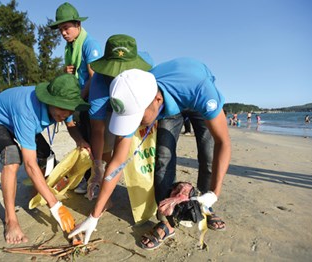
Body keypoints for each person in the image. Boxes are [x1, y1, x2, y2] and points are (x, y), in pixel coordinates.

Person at [69, 58, 231, 250]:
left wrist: (214, 193)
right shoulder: (134, 93)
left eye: (138, 118)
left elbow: (223, 142)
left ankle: (206, 205)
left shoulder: (201, 89)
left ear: (157, 101)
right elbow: (117, 163)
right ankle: (168, 219)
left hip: (193, 91)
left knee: (208, 152)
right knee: (163, 157)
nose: (136, 124)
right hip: (167, 102)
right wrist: (94, 216)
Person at [0, 74, 90, 244]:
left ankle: (39, 193)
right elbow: (30, 165)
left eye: (70, 109)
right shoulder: (27, 110)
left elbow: (70, 125)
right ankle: (11, 220)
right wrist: (56, 207)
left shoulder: (65, 104)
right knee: (13, 157)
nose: (66, 113)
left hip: (21, 121)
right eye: (63, 109)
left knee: (48, 157)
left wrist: (81, 141)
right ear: (49, 101)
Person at [86, 34, 153, 200]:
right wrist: (97, 166)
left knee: (141, 150)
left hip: (137, 104)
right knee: (107, 147)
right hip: (110, 108)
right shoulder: (99, 83)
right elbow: (97, 130)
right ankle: (106, 190)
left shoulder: (147, 69)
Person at [49, 2, 102, 194]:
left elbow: (94, 77)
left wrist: (77, 100)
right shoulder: (70, 48)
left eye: (66, 28)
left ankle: (95, 181)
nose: (63, 33)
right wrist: (67, 71)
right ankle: (87, 178)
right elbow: (76, 75)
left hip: (91, 102)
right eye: (60, 29)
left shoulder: (90, 45)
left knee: (93, 142)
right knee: (82, 141)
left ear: (78, 25)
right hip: (79, 101)